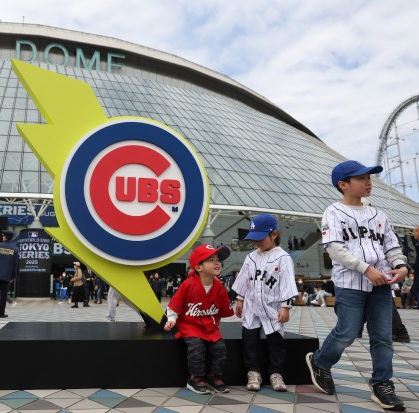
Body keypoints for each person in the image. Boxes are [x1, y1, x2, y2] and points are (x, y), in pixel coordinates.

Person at [306, 160, 409, 411]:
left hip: (381, 283)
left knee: (383, 337)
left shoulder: (378, 214)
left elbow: (392, 246)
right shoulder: (333, 212)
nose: (368, 182)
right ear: (343, 185)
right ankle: (320, 362)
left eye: (368, 178)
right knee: (347, 332)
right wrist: (367, 268)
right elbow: (335, 249)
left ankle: (382, 384)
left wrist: (402, 265)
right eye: (361, 178)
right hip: (350, 282)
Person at [232, 214, 298, 392]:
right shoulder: (251, 257)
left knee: (276, 343)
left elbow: (288, 283)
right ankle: (253, 372)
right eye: (253, 238)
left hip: (273, 307)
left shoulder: (283, 258)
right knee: (249, 341)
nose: (256, 242)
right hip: (252, 307)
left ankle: (276, 373)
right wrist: (239, 299)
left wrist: (286, 306)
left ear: (274, 234)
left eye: (260, 238)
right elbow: (244, 280)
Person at [164, 244, 234, 394]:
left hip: (210, 326)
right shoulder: (187, 285)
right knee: (197, 348)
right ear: (199, 267)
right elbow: (174, 305)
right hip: (191, 325)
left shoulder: (220, 287)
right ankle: (195, 378)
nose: (217, 263)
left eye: (218, 260)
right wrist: (171, 319)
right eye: (211, 260)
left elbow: (222, 311)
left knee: (220, 349)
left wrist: (215, 326)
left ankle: (214, 377)